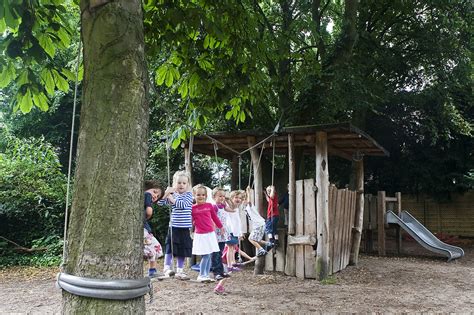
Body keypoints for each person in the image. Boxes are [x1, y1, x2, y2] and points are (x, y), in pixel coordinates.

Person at [159, 171, 194, 280]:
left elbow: (182, 205)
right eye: (179, 183)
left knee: (182, 249)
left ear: (187, 184)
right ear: (175, 183)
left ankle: (180, 270)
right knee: (170, 247)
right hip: (173, 226)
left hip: (184, 227)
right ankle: (166, 268)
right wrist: (166, 193)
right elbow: (160, 204)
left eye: (184, 183)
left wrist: (172, 199)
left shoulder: (189, 195)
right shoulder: (172, 194)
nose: (181, 185)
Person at [192, 185, 223, 282]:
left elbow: (215, 218)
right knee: (205, 255)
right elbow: (191, 221)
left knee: (210, 254)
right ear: (194, 195)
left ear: (206, 195)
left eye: (203, 195)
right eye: (198, 195)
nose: (201, 196)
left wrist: (221, 227)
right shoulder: (192, 208)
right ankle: (201, 274)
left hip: (210, 233)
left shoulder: (209, 206)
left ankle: (206, 275)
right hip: (201, 234)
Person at [244, 186, 274, 256]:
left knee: (251, 239)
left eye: (243, 199)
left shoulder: (249, 206)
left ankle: (261, 250)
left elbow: (249, 201)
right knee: (256, 239)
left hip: (259, 224)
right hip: (259, 224)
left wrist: (248, 192)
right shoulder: (246, 207)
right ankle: (269, 244)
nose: (243, 201)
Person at [143, 180, 164, 278]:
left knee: (155, 246)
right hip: (143, 229)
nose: (155, 196)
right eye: (155, 192)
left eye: (157, 197)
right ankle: (152, 270)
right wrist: (149, 213)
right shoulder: (146, 194)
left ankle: (152, 270)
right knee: (153, 246)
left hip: (145, 228)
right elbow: (149, 212)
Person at [210, 187, 231, 280]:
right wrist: (215, 230)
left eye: (223, 196)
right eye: (220, 196)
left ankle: (221, 271)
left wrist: (228, 200)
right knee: (215, 253)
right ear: (214, 197)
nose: (222, 198)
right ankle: (216, 272)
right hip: (216, 232)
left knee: (221, 252)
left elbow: (233, 209)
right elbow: (213, 219)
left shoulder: (223, 206)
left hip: (222, 233)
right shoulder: (214, 206)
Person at [224, 190, 243, 272]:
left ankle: (232, 263)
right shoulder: (231, 207)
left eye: (240, 198)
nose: (238, 199)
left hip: (234, 231)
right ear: (231, 199)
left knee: (232, 248)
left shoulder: (237, 208)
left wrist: (240, 233)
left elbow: (238, 222)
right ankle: (229, 264)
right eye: (236, 197)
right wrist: (227, 199)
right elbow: (231, 205)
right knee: (230, 248)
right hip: (230, 230)